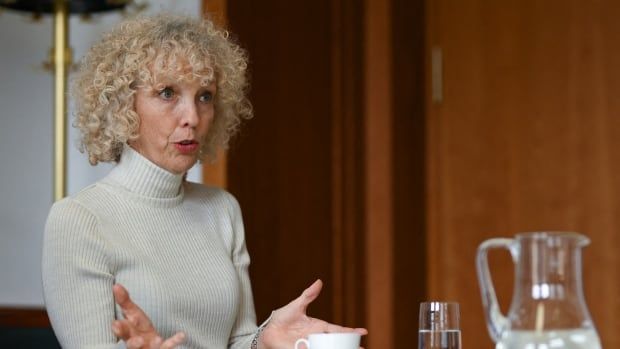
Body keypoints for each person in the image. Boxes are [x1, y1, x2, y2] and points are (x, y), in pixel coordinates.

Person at [41, 13, 367, 349]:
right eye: (167, 93)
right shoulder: (78, 220)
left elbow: (236, 342)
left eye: (205, 96)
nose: (192, 117)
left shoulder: (222, 209)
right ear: (124, 104)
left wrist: (261, 341)